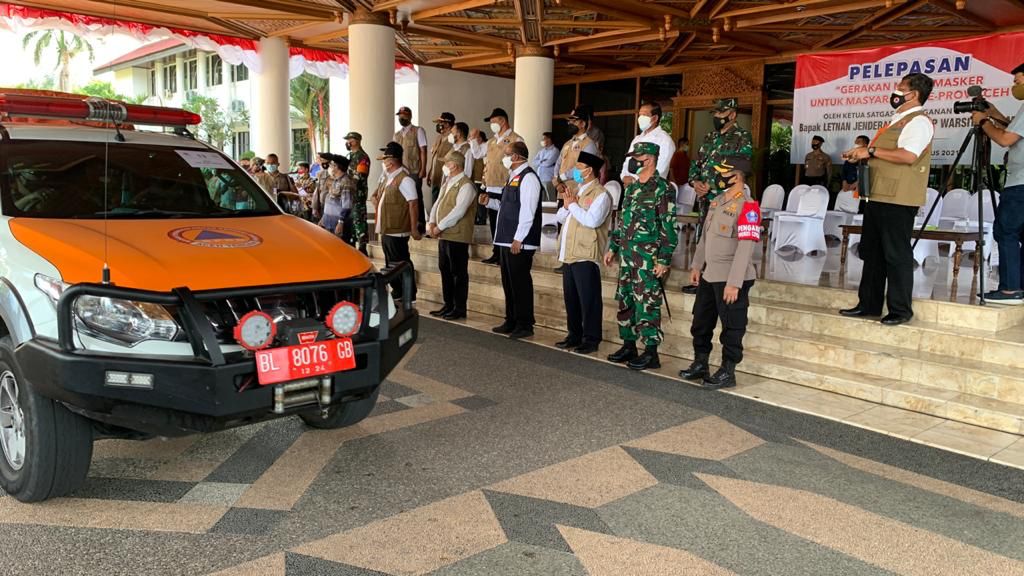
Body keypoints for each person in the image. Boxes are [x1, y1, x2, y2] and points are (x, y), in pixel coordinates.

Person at [840, 72, 935, 326]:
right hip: (878, 194)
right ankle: (868, 304)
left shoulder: (918, 122)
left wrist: (869, 150)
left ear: (913, 94)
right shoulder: (898, 120)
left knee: (896, 254)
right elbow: (885, 155)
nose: (895, 91)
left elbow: (908, 155)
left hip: (899, 198)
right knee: (872, 252)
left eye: (900, 88)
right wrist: (861, 155)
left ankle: (900, 310)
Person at [679, 156, 760, 389]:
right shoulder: (717, 201)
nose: (718, 177)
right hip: (710, 273)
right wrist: (696, 265)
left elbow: (746, 247)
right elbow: (705, 237)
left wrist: (734, 283)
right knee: (701, 322)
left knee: (732, 327)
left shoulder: (748, 206)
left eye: (723, 173)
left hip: (731, 277)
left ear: (736, 176)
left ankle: (727, 371)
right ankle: (700, 363)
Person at [604, 142, 677, 370]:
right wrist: (613, 247)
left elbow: (668, 226)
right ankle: (629, 344)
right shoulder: (633, 188)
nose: (634, 160)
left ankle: (651, 352)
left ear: (651, 158)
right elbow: (623, 221)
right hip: (627, 256)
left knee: (647, 305)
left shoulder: (662, 188)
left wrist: (664, 259)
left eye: (638, 156)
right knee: (626, 301)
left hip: (648, 258)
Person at [685, 97, 753, 294]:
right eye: (715, 113)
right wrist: (695, 182)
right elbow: (696, 164)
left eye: (721, 113)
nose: (717, 117)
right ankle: (701, 277)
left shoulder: (742, 137)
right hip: (705, 199)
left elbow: (741, 169)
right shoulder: (709, 138)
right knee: (704, 235)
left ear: (732, 114)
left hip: (726, 199)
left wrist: (711, 185)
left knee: (724, 240)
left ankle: (721, 279)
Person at [479, 141, 541, 339]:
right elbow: (508, 207)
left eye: (506, 154)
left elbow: (527, 211)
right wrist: (491, 202)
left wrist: (518, 238)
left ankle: (525, 324)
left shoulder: (528, 178)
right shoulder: (512, 177)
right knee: (509, 282)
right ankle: (511, 319)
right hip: (506, 239)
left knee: (520, 282)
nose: (503, 158)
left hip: (518, 241)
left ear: (515, 157)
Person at [973, 62, 1024, 303]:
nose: (1015, 86)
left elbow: (1005, 140)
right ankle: (1019, 287)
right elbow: (1014, 132)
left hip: (1020, 183)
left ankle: (1009, 290)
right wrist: (994, 115)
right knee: (1019, 234)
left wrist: (983, 123)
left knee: (1006, 231)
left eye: (1018, 81)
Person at [555, 151, 612, 355]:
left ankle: (591, 338)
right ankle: (574, 334)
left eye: (579, 168)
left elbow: (592, 221)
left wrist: (573, 206)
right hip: (569, 253)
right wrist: (567, 205)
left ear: (589, 171)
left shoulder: (601, 194)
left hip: (586, 253)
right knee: (571, 298)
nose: (576, 172)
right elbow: (562, 217)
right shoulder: (576, 191)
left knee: (589, 299)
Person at [427, 150, 478, 320]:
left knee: (458, 272)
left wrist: (439, 227)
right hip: (444, 234)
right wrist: (431, 222)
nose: (444, 166)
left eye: (446, 163)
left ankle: (459, 308)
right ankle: (448, 304)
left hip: (457, 235)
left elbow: (459, 211)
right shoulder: (447, 182)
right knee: (445, 270)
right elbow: (438, 203)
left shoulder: (466, 185)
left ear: (454, 165)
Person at [553, 105, 600, 273]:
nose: (569, 124)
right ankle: (563, 258)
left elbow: (583, 169)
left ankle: (573, 258)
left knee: (575, 226)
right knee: (562, 227)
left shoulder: (589, 145)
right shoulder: (567, 144)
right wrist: (556, 180)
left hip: (577, 193)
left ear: (582, 123)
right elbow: (558, 165)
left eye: (573, 121)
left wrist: (562, 177)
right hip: (563, 192)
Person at [374, 142, 422, 303]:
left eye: (385, 159)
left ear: (392, 160)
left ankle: (409, 292)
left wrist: (414, 228)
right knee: (390, 262)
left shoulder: (404, 179)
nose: (383, 162)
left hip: (398, 228)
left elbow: (413, 203)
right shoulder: (389, 178)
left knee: (400, 261)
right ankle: (398, 290)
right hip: (388, 228)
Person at [480, 108, 522, 265]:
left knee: (506, 220)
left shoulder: (515, 139)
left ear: (503, 121)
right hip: (491, 186)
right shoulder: (491, 141)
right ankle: (496, 252)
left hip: (506, 185)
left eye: (493, 121)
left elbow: (519, 162)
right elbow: (484, 160)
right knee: (493, 221)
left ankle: (506, 253)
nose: (492, 125)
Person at [621, 101, 675, 185]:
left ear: (655, 118)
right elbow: (627, 163)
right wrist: (624, 177)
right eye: (640, 115)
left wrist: (634, 180)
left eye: (644, 115)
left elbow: (660, 169)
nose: (640, 118)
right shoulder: (637, 139)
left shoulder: (665, 140)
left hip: (653, 190)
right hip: (631, 189)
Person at [395, 106, 428, 235]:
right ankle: (407, 223)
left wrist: (423, 169)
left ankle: (420, 224)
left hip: (414, 170)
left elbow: (423, 151)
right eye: (399, 115)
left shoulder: (418, 131)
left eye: (403, 115)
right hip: (400, 172)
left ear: (410, 116)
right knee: (403, 197)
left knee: (416, 197)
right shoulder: (397, 134)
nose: (401, 118)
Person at [318, 155, 357, 245]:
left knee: (341, 251)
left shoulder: (346, 182)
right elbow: (330, 201)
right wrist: (324, 218)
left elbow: (347, 206)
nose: (330, 166)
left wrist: (341, 222)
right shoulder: (336, 180)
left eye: (332, 164)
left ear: (337, 167)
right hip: (329, 222)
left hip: (338, 224)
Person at [346, 132, 372, 254]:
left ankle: (362, 246)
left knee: (359, 219)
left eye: (350, 140)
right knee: (351, 220)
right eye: (347, 140)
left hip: (358, 194)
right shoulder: (349, 156)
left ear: (357, 141)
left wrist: (347, 180)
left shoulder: (363, 157)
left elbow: (361, 176)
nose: (348, 142)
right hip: (348, 194)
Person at [428, 112, 456, 211]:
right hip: (436, 173)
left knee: (444, 197)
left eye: (441, 122)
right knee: (435, 196)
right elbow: (434, 156)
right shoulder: (439, 137)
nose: (439, 125)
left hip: (447, 174)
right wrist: (430, 172)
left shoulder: (453, 138)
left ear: (448, 124)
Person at [533, 131, 559, 201]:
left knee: (550, 198)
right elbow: (534, 162)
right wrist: (542, 161)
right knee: (542, 199)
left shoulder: (555, 151)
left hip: (548, 178)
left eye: (544, 138)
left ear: (549, 139)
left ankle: (552, 211)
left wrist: (540, 162)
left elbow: (548, 163)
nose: (542, 140)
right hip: (540, 178)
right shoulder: (541, 151)